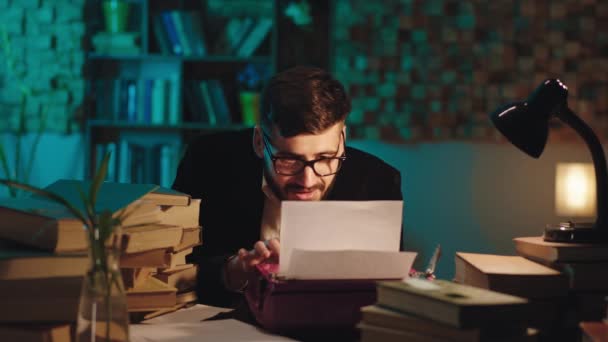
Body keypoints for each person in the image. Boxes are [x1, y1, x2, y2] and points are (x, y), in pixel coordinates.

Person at [172, 66, 402, 308]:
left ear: (342, 140)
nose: (308, 181)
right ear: (260, 142)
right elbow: (167, 266)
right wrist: (229, 273)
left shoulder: (378, 181)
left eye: (325, 158)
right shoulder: (207, 161)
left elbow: (384, 296)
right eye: (289, 160)